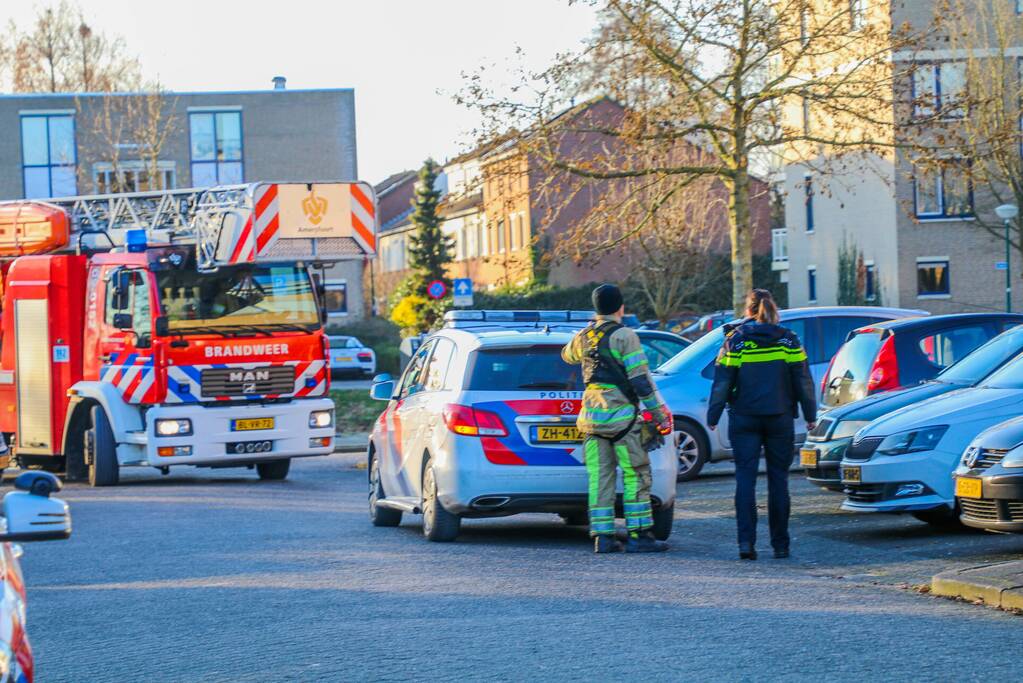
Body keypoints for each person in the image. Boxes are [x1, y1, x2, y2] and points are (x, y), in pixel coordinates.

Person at [562, 284, 674, 553]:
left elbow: (567, 355)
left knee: (600, 478)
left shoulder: (584, 336)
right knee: (636, 474)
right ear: (620, 307)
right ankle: (640, 536)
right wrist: (658, 415)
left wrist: (587, 332)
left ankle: (603, 537)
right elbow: (640, 381)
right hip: (622, 420)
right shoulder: (626, 336)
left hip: (591, 421)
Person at [707, 289, 816, 561]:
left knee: (745, 480)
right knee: (779, 481)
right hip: (779, 418)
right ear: (772, 308)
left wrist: (713, 414)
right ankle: (781, 545)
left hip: (744, 418)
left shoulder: (736, 341)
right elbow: (803, 380)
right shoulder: (788, 341)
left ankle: (746, 544)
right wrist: (810, 413)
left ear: (748, 310)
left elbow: (722, 381)